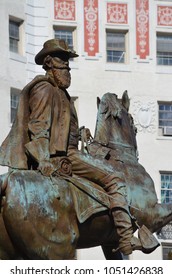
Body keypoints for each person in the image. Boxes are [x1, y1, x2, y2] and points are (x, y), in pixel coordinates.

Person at [0, 39, 158, 255]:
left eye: (67, 62)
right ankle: (125, 240)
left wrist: (79, 132)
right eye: (62, 61)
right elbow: (38, 128)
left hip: (70, 151)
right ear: (49, 63)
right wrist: (43, 160)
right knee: (115, 179)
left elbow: (62, 128)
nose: (67, 67)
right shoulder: (45, 89)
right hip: (64, 157)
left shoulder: (60, 92)